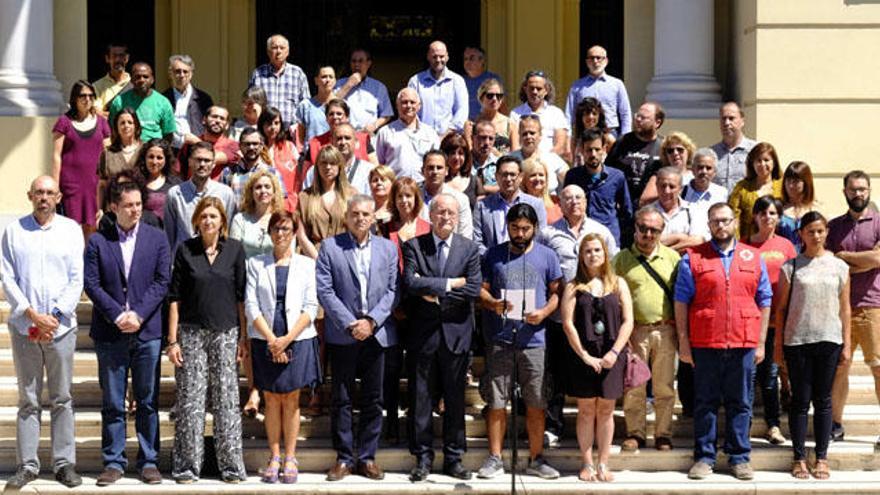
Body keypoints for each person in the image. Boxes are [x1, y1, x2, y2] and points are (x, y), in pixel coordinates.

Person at [675, 203, 773, 481]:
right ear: (709, 225)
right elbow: (681, 301)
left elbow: (765, 300)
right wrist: (684, 342)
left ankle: (739, 457)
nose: (721, 226)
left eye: (726, 221)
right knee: (704, 401)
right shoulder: (693, 258)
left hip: (743, 341)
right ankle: (704, 457)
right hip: (706, 342)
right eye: (715, 221)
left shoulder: (753, 257)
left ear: (735, 222)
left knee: (740, 402)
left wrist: (762, 341)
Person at [83, 181, 170, 486]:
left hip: (147, 332)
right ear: (114, 208)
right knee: (113, 401)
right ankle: (114, 462)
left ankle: (148, 461)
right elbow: (91, 284)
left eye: (138, 204)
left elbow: (162, 282)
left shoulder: (157, 239)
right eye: (128, 205)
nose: (135, 210)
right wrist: (118, 314)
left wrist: (139, 314)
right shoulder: (97, 242)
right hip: (111, 332)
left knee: (147, 401)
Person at [0, 176, 84, 489]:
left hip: (61, 329)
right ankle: (28, 466)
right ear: (30, 195)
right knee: (29, 400)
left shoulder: (71, 230)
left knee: (62, 398)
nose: (44, 198)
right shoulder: (14, 232)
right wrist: (33, 316)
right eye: (39, 192)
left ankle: (64, 464)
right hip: (25, 328)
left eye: (49, 193)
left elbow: (77, 278)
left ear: (58, 196)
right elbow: (7, 278)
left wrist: (55, 317)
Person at [316, 195, 400, 482]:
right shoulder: (330, 247)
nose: (361, 218)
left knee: (373, 399)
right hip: (344, 334)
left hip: (377, 335)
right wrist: (352, 324)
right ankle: (343, 458)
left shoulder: (388, 249)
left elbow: (393, 290)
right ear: (346, 217)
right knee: (341, 399)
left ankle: (367, 457)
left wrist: (372, 321)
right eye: (355, 214)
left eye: (366, 213)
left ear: (373, 217)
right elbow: (325, 291)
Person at [477, 203, 562, 480]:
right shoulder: (493, 255)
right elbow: (481, 290)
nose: (520, 233)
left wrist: (544, 312)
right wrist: (493, 304)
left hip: (534, 340)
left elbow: (556, 294)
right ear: (508, 227)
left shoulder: (548, 256)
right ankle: (495, 458)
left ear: (534, 228)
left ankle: (537, 458)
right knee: (497, 401)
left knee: (536, 401)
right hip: (501, 338)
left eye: (525, 229)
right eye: (515, 228)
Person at [166, 196, 248, 483]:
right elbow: (174, 297)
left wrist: (243, 338)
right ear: (197, 221)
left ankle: (231, 466)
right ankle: (188, 466)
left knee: (226, 400)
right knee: (190, 401)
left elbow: (240, 298)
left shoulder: (235, 251)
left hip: (226, 333)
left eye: (214, 216)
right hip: (191, 333)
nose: (209, 221)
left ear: (222, 221)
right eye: (204, 216)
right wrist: (172, 340)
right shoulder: (185, 250)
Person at [402, 193, 481, 482]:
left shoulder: (469, 249)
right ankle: (422, 458)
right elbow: (410, 283)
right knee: (420, 399)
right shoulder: (414, 246)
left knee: (455, 400)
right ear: (430, 215)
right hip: (423, 337)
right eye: (440, 212)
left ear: (458, 217)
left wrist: (432, 291)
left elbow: (472, 290)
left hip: (456, 336)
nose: (445, 217)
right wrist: (450, 284)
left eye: (450, 212)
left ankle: (454, 457)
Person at [538, 184, 617, 449]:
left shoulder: (601, 232)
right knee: (555, 372)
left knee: (594, 374)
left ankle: (598, 432)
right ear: (559, 202)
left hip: (594, 319)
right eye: (568, 198)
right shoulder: (548, 234)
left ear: (586, 201)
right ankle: (553, 425)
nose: (574, 202)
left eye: (578, 197)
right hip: (560, 317)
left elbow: (612, 269)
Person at [245, 211, 321, 484]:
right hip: (265, 336)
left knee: (290, 398)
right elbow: (251, 305)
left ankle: (290, 456)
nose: (281, 234)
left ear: (294, 232)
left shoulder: (306, 265)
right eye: (276, 228)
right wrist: (271, 339)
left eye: (286, 228)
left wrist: (286, 339)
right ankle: (274, 456)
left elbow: (311, 307)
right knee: (271, 398)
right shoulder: (255, 263)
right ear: (270, 232)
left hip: (297, 338)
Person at [775, 211, 852, 480]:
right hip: (797, 341)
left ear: (826, 232)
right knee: (799, 402)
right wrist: (778, 347)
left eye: (820, 230)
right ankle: (798, 458)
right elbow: (781, 310)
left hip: (829, 340)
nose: (816, 235)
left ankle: (821, 457)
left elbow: (845, 309)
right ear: (801, 234)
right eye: (810, 231)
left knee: (823, 401)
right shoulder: (791, 266)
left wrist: (847, 344)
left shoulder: (840, 267)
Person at [561, 234, 633, 482]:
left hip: (612, 354)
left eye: (597, 250)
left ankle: (603, 463)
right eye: (587, 251)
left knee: (606, 410)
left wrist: (614, 353)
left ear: (605, 254)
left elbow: (628, 321)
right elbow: (568, 323)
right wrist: (584, 355)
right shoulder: (573, 286)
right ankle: (587, 463)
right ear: (581, 256)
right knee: (585, 411)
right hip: (583, 355)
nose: (593, 255)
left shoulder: (618, 283)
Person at [614, 207, 680, 453]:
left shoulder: (672, 259)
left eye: (654, 230)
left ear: (662, 232)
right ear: (635, 228)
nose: (648, 234)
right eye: (643, 228)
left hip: (665, 330)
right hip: (634, 332)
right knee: (634, 387)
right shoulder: (620, 260)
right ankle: (635, 433)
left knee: (664, 386)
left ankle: (663, 434)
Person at [827, 170, 880, 444]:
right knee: (840, 366)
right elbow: (828, 262)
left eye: (863, 189)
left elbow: (877, 259)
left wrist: (845, 257)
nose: (858, 193)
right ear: (845, 192)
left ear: (869, 191)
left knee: (878, 368)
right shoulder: (834, 227)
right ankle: (835, 423)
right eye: (853, 189)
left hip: (873, 305)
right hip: (840, 307)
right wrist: (866, 260)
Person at [745, 195, 797, 446]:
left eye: (773, 213)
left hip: (778, 322)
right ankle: (742, 425)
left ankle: (773, 425)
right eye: (763, 213)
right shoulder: (743, 247)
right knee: (747, 376)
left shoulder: (787, 246)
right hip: (749, 321)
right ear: (755, 216)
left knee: (770, 378)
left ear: (779, 217)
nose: (768, 217)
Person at [52, 80, 112, 237]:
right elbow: (57, 155)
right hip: (71, 184)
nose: (87, 99)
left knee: (93, 226)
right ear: (74, 99)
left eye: (91, 96)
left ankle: (89, 261)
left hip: (95, 183)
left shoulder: (102, 122)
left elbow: (108, 153)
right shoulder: (64, 122)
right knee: (72, 228)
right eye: (82, 96)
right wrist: (55, 186)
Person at [564, 128, 633, 247]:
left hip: (609, 238)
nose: (593, 154)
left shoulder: (617, 177)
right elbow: (565, 207)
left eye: (597, 149)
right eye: (589, 150)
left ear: (604, 149)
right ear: (582, 150)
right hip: (581, 237)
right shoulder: (573, 176)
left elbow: (626, 211)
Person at [163, 141, 236, 250]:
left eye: (207, 160)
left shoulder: (226, 194)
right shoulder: (175, 194)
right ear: (189, 162)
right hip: (184, 260)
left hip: (215, 259)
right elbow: (169, 234)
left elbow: (227, 231)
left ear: (213, 164)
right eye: (198, 160)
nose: (202, 164)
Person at [473, 155, 547, 255]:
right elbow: (476, 241)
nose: (508, 179)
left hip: (526, 262)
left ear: (520, 177)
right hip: (491, 264)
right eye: (504, 174)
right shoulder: (483, 206)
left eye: (512, 174)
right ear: (496, 176)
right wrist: (491, 259)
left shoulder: (536, 204)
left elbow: (540, 238)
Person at [606, 102, 664, 226]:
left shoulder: (662, 147)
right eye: (637, 115)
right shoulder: (623, 142)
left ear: (657, 122)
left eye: (644, 118)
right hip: (620, 211)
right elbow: (608, 172)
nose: (638, 119)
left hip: (648, 213)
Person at [296, 145, 356, 260]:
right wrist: (319, 261)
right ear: (317, 167)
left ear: (339, 166)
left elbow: (357, 232)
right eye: (323, 163)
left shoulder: (352, 195)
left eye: (332, 163)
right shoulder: (305, 197)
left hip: (345, 256)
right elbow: (302, 236)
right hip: (313, 258)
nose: (328, 167)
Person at [564, 45, 632, 137]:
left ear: (606, 61)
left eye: (598, 58)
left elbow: (625, 112)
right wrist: (568, 138)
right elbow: (569, 114)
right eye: (591, 58)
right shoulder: (577, 86)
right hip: (585, 134)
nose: (595, 61)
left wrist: (625, 136)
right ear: (587, 62)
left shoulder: (617, 84)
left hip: (610, 134)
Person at [376, 88, 441, 182]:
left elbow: (436, 161)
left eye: (412, 102)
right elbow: (379, 163)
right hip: (395, 186)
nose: (408, 105)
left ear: (419, 106)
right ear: (397, 105)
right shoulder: (385, 132)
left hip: (423, 187)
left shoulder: (430, 133)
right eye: (404, 102)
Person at [248, 34, 310, 131]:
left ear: (287, 52)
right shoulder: (258, 74)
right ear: (268, 52)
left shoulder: (297, 73)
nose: (278, 51)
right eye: (274, 48)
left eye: (282, 48)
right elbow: (251, 103)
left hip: (290, 132)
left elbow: (305, 105)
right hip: (264, 131)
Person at [408, 40, 469, 136]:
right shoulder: (415, 81)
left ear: (447, 57)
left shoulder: (457, 81)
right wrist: (422, 133)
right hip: (421, 137)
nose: (438, 60)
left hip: (450, 139)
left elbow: (462, 111)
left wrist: (445, 136)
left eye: (441, 56)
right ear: (428, 57)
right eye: (434, 56)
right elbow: (410, 111)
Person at [729, 141, 784, 240]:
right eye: (758, 160)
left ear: (774, 162)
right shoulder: (742, 187)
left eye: (766, 160)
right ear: (752, 164)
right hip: (749, 244)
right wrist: (737, 244)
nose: (762, 164)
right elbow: (734, 217)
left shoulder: (782, 186)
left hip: (777, 243)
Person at [108, 62, 176, 142]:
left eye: (145, 77)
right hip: (128, 150)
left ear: (152, 80)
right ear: (132, 80)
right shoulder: (120, 102)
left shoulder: (163, 102)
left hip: (152, 151)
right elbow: (112, 130)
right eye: (137, 77)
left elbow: (168, 134)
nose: (142, 80)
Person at [221, 128, 287, 209]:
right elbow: (222, 203)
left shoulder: (272, 173)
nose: (251, 147)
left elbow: (280, 204)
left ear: (262, 146)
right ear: (240, 146)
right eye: (247, 144)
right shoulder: (228, 173)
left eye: (255, 143)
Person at [648, 167, 709, 253]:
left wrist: (666, 252)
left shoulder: (694, 210)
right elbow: (646, 242)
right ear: (657, 186)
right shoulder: (647, 212)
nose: (667, 191)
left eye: (672, 187)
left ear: (680, 189)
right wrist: (680, 237)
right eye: (663, 186)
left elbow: (697, 241)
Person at [302, 122, 374, 195]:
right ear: (332, 142)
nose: (343, 142)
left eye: (347, 138)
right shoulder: (315, 171)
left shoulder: (368, 171)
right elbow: (305, 200)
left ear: (356, 142)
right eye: (339, 138)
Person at [510, 70, 569, 157]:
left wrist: (542, 161)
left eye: (539, 89)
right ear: (525, 89)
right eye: (531, 88)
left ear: (546, 90)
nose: (535, 92)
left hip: (550, 164)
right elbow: (515, 146)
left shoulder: (556, 113)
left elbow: (560, 146)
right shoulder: (515, 114)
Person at [334, 48, 394, 134]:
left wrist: (374, 125)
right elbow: (331, 105)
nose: (357, 65)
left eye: (360, 61)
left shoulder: (379, 87)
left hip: (367, 136)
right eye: (353, 61)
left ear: (368, 64)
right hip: (344, 135)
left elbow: (386, 114)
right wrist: (348, 85)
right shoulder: (339, 84)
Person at [304, 98, 377, 168]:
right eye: (331, 114)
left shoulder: (362, 140)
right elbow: (305, 174)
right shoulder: (315, 143)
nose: (335, 117)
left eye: (339, 114)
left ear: (347, 117)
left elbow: (375, 167)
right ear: (326, 118)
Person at [162, 54, 214, 150]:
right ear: (170, 74)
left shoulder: (203, 99)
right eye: (177, 71)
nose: (182, 75)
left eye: (185, 71)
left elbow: (211, 125)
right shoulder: (163, 99)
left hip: (197, 148)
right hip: (172, 149)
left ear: (191, 74)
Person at [418, 151, 473, 239]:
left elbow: (465, 237)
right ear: (422, 171)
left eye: (439, 168)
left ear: (446, 171)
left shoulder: (460, 200)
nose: (435, 172)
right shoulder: (413, 198)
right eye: (430, 168)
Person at [98, 108, 142, 215]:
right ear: (116, 128)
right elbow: (102, 185)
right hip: (113, 210)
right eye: (122, 123)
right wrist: (99, 209)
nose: (126, 126)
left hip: (138, 210)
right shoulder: (108, 153)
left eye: (130, 122)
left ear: (136, 125)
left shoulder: (145, 151)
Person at [177, 105, 240, 179]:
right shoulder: (190, 144)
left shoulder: (233, 145)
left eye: (222, 119)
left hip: (218, 189)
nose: (218, 121)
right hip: (192, 188)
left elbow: (214, 158)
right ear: (204, 120)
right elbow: (178, 169)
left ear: (227, 125)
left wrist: (198, 143)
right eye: (214, 116)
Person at [511, 115, 568, 196]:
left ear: (540, 135)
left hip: (549, 203)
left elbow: (571, 182)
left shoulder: (552, 158)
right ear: (519, 136)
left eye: (532, 133)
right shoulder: (510, 160)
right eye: (524, 134)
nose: (528, 136)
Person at [641, 131, 696, 206]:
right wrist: (670, 194)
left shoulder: (696, 175)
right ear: (666, 155)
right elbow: (644, 201)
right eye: (670, 151)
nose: (675, 153)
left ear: (688, 152)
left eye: (680, 150)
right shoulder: (659, 176)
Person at [711, 102, 757, 192]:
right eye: (723, 119)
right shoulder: (711, 153)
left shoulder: (755, 151)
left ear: (742, 121)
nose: (727, 123)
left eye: (731, 118)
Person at [464, 78, 518, 153]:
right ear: (481, 98)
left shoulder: (510, 125)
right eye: (490, 96)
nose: (494, 99)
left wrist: (497, 155)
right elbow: (469, 152)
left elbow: (515, 155)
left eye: (499, 96)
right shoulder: (471, 125)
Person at [258, 106, 300, 196]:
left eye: (276, 123)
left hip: (288, 200)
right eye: (269, 124)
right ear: (262, 125)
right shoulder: (257, 149)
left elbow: (299, 174)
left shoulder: (290, 147)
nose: (273, 127)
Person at [780, 161, 821, 251]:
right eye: (788, 180)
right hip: (783, 259)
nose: (790, 185)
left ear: (806, 183)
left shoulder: (815, 209)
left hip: (808, 260)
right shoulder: (778, 207)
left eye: (796, 181)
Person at [139, 138, 182, 223]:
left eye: (159, 158)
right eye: (151, 157)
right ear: (144, 158)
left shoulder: (176, 184)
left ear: (166, 160)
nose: (154, 162)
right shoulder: (136, 183)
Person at [295, 66, 336, 147]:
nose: (328, 80)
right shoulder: (305, 106)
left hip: (335, 155)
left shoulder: (342, 106)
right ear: (316, 81)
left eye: (331, 77)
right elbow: (300, 137)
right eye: (324, 77)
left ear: (335, 81)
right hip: (312, 154)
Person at [441, 132, 481, 209]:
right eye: (452, 153)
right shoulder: (437, 181)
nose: (456, 158)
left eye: (461, 153)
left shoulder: (474, 181)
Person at [462, 46, 502, 122]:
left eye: (471, 58)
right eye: (465, 59)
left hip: (488, 126)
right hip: (466, 127)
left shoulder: (492, 79)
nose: (467, 62)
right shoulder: (460, 81)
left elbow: (502, 106)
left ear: (482, 60)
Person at [92, 42, 131, 116]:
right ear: (107, 59)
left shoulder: (134, 84)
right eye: (114, 56)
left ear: (127, 58)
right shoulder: (97, 86)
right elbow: (97, 113)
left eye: (121, 56)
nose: (118, 60)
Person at [521, 156, 562, 224]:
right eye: (533, 175)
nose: (537, 179)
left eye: (541, 175)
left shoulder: (557, 202)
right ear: (524, 180)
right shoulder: (518, 203)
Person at [472, 119, 500, 194]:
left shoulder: (500, 164)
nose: (487, 143)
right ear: (473, 138)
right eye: (483, 137)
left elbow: (507, 188)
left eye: (491, 138)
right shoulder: (463, 163)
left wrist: (482, 188)